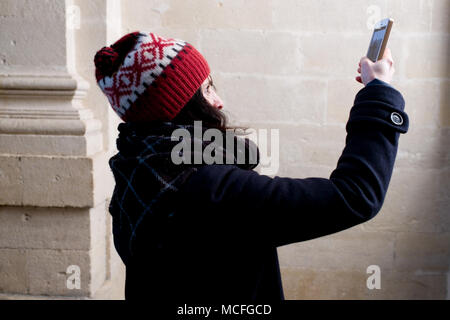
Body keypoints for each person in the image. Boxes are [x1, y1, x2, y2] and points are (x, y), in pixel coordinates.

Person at [94, 31, 409, 301]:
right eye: (206, 89)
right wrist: (379, 92)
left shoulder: (135, 170)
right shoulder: (211, 191)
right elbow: (355, 195)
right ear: (176, 108)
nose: (218, 101)